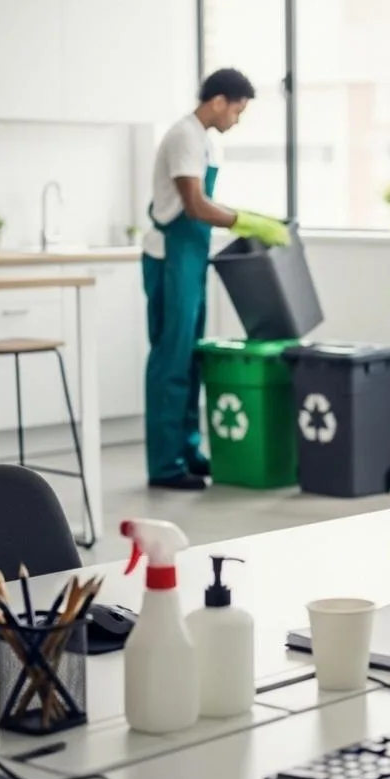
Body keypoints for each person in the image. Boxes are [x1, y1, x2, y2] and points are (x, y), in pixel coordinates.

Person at [142, 68, 290, 490]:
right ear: (219, 100)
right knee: (171, 359)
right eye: (237, 111)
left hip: (190, 258)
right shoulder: (184, 137)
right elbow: (194, 205)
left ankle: (187, 451)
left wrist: (247, 220)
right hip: (171, 256)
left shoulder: (201, 138)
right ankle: (166, 465)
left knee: (190, 357)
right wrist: (248, 222)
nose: (236, 120)